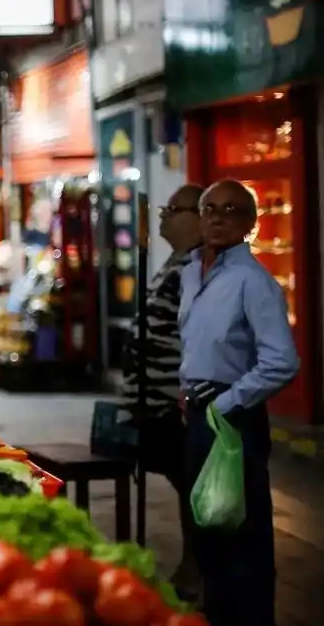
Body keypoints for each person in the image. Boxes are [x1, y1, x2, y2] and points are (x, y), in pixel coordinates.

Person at [178, 179, 298, 626]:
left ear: (249, 223)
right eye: (210, 208)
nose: (218, 217)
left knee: (242, 539)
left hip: (233, 421)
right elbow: (199, 342)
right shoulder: (194, 271)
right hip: (197, 414)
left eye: (231, 209)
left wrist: (227, 402)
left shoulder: (253, 281)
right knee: (208, 531)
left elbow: (282, 362)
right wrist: (186, 389)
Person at [121, 183, 204, 598]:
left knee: (193, 487)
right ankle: (193, 567)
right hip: (153, 401)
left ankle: (198, 571)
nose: (163, 215)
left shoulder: (200, 266)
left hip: (176, 403)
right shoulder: (176, 261)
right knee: (182, 484)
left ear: (198, 217)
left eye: (173, 209)